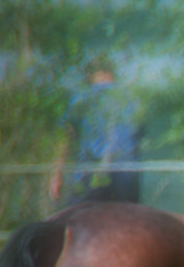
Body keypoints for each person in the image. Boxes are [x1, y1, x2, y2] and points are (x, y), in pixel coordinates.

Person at [50, 56, 143, 205]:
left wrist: (57, 175)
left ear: (89, 76)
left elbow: (66, 138)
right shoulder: (131, 100)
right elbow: (139, 138)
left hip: (90, 174)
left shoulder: (81, 99)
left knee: (82, 219)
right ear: (112, 74)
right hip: (126, 176)